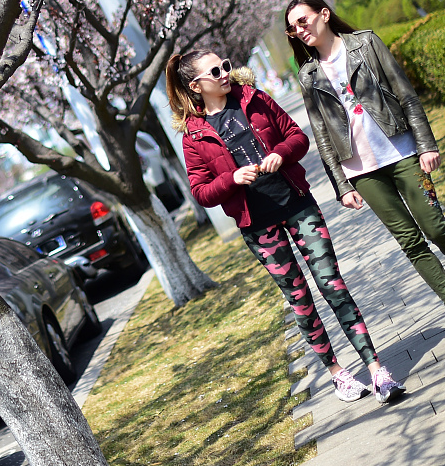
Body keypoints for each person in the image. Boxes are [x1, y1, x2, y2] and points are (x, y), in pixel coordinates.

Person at [167, 51, 406, 405]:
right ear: (196, 85)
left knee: (332, 285)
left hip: (297, 205)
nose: (224, 74)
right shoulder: (194, 135)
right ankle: (337, 374)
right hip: (258, 227)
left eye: (226, 66)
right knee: (301, 301)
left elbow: (297, 137)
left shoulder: (254, 98)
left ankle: (376, 370)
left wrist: (281, 152)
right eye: (214, 71)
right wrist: (232, 178)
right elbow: (201, 192)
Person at [284, 0, 445, 353]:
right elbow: (322, 134)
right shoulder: (308, 76)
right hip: (362, 170)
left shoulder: (366, 43)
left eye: (302, 21)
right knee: (410, 241)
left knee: (435, 227)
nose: (299, 30)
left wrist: (426, 144)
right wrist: (341, 184)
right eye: (292, 29)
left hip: (401, 152)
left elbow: (405, 94)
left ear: (324, 14)